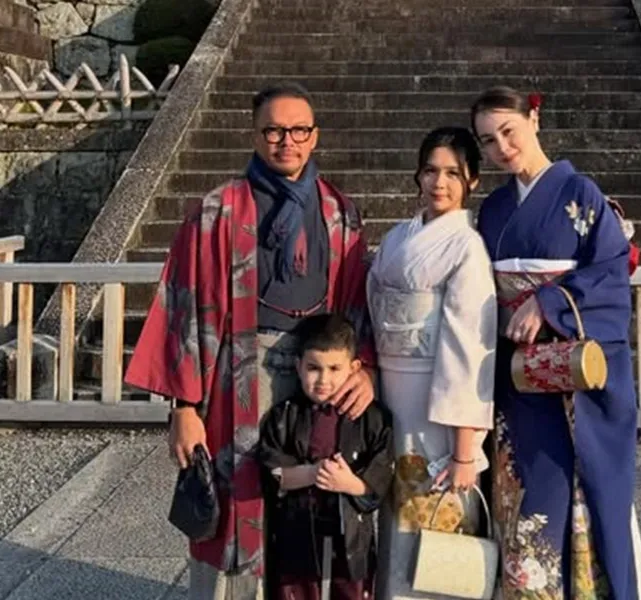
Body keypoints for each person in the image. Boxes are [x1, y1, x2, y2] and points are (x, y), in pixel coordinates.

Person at [123, 81, 378, 600]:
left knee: (310, 491)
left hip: (321, 371)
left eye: (298, 130)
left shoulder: (341, 214)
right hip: (239, 366)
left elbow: (357, 304)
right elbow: (184, 304)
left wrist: (363, 368)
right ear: (256, 134)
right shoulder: (216, 212)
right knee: (237, 492)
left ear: (315, 136)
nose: (287, 141)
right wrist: (183, 406)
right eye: (274, 130)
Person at [470, 86, 641, 599]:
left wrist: (548, 303)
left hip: (573, 377)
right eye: (488, 141)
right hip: (518, 376)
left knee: (583, 491)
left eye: (508, 131)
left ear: (534, 119)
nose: (501, 147)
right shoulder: (494, 210)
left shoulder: (582, 194)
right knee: (527, 492)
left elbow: (611, 272)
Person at [366, 127, 497, 599]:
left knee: (435, 512)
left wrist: (465, 449)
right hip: (391, 393)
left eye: (452, 174)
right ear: (417, 176)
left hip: (439, 403)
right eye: (430, 171)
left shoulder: (466, 247)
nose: (438, 183)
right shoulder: (400, 236)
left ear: (472, 182)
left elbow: (469, 347)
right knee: (395, 511)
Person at [257, 313, 394, 600]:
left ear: (355, 368)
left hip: (351, 533)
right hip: (297, 530)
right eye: (313, 368)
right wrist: (311, 473)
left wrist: (350, 483)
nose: (323, 379)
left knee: (352, 591)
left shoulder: (372, 419)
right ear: (298, 366)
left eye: (334, 368)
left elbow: (382, 475)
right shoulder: (285, 416)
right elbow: (273, 471)